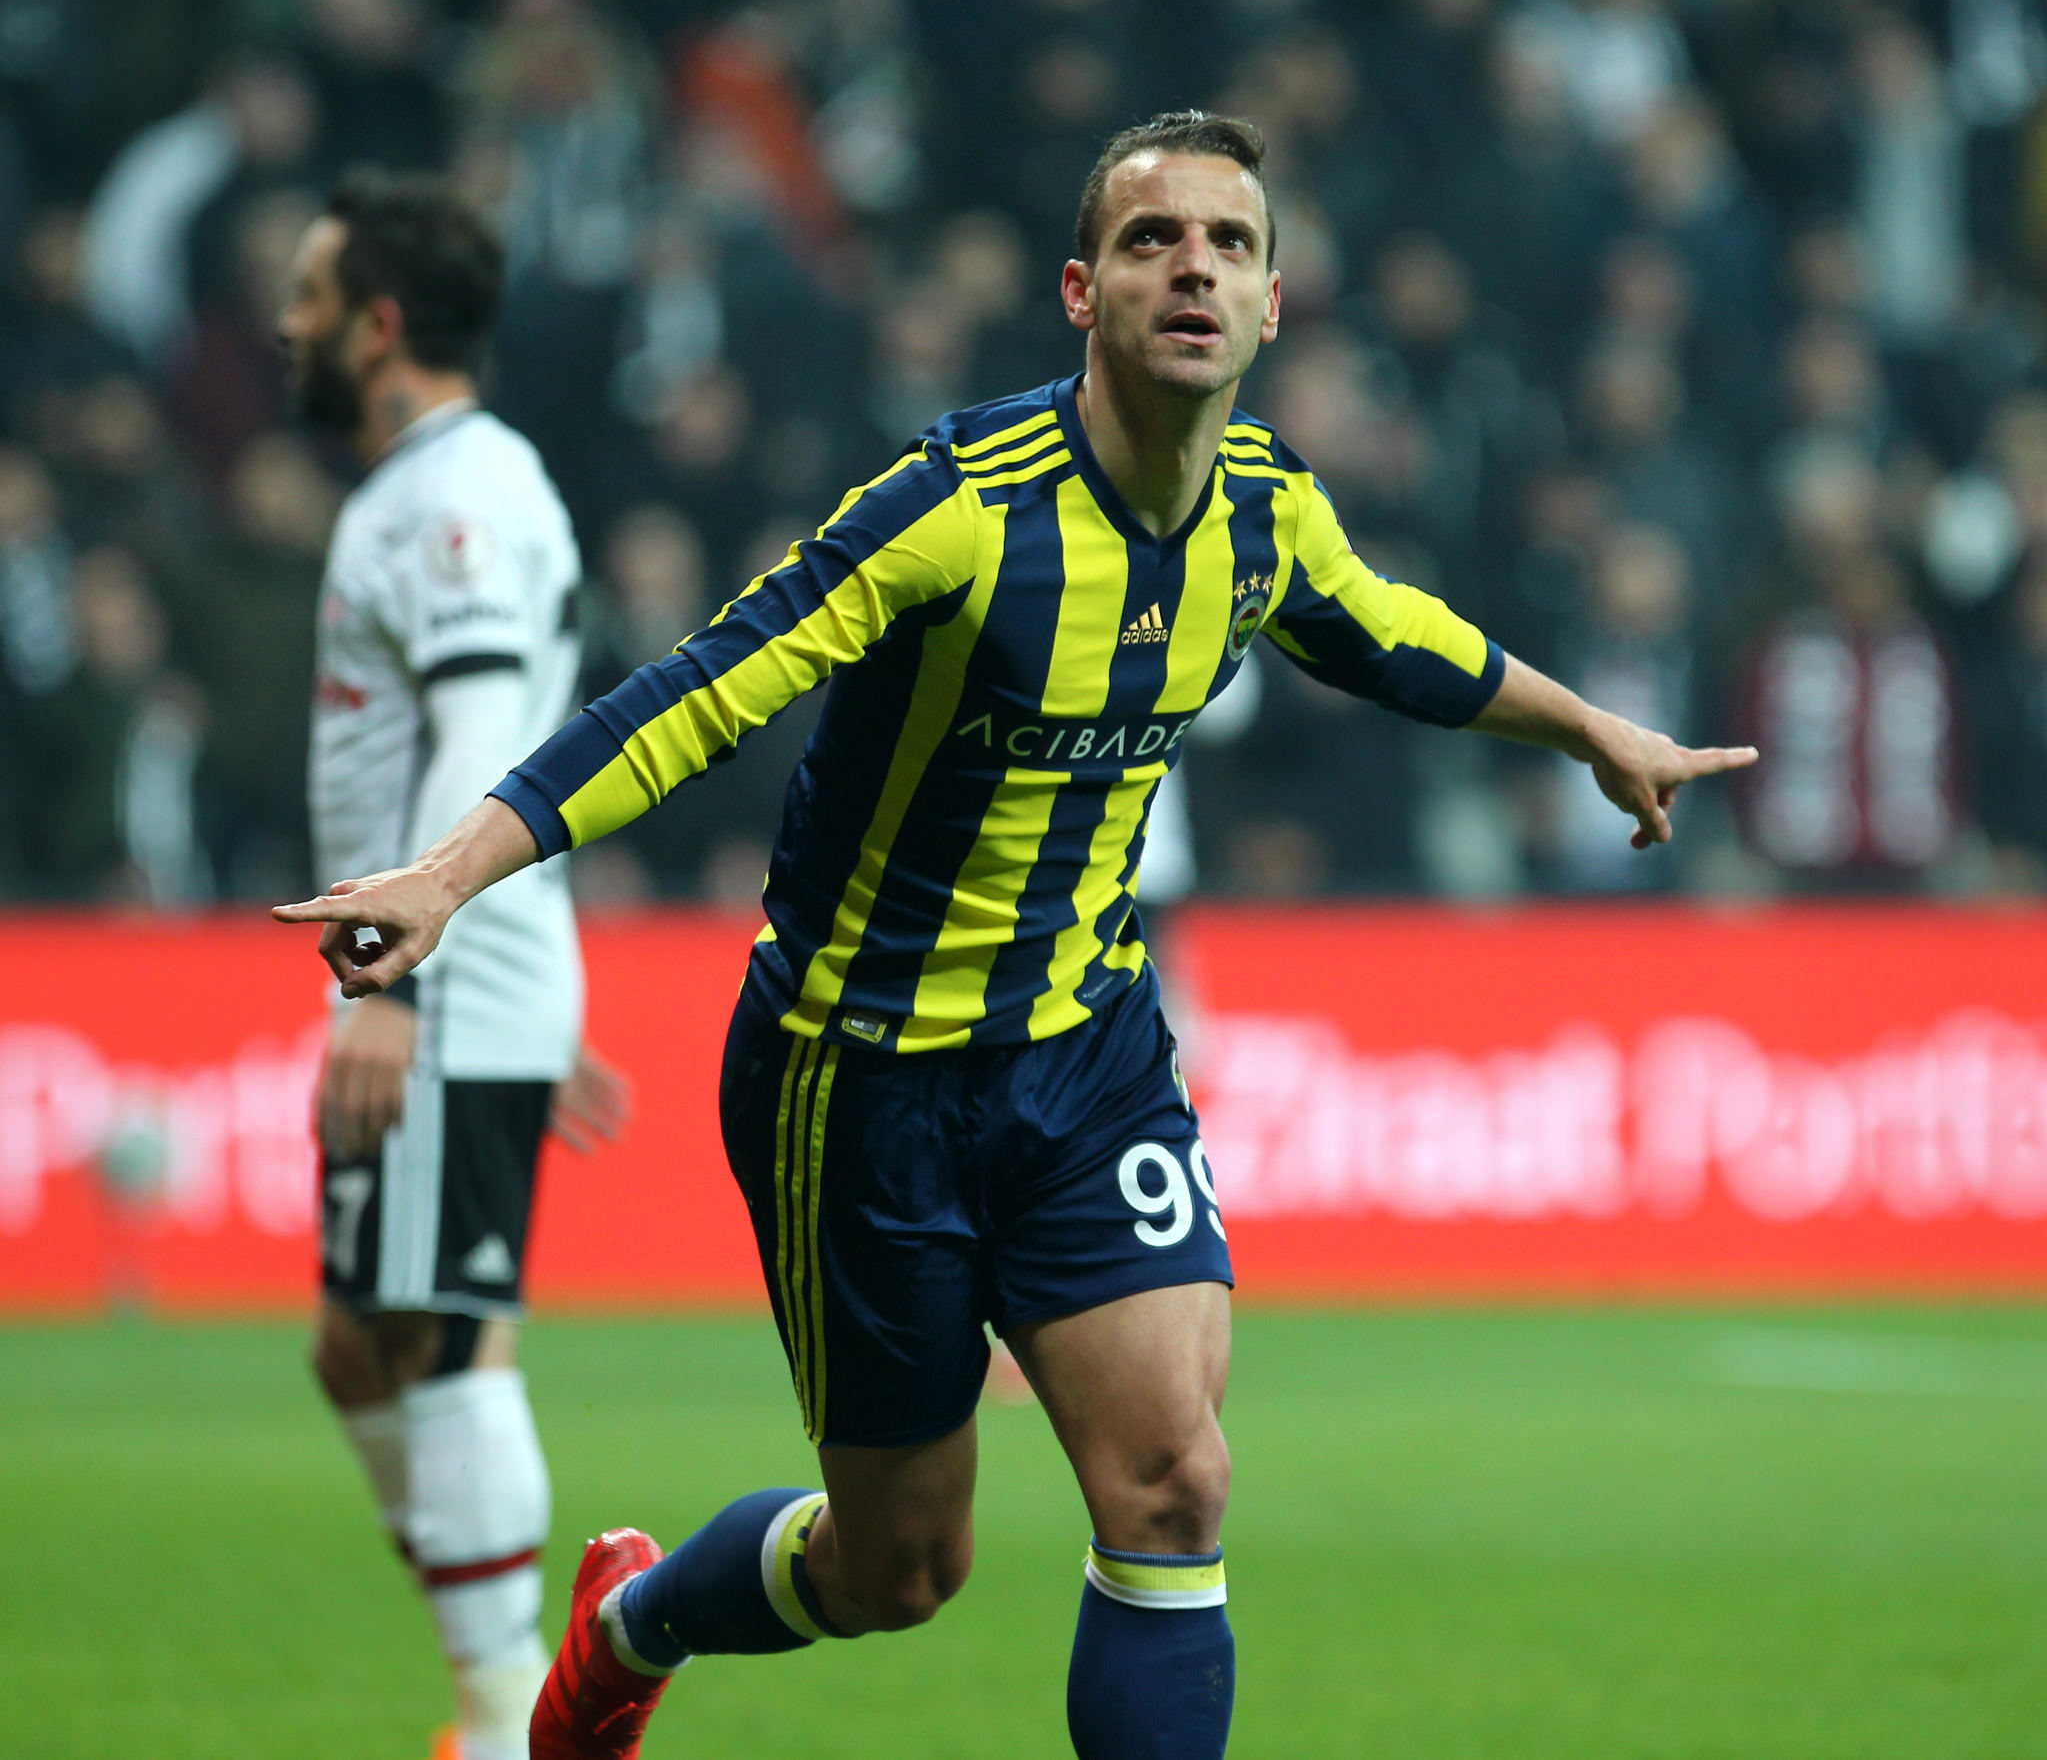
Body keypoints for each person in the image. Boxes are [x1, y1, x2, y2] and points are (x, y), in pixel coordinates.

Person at [276, 114, 1755, 1760]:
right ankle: (632, 1630)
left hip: (1084, 1053)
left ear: (1273, 305)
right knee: (899, 1568)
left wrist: (1589, 729)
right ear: (1079, 291)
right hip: (859, 1076)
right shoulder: (958, 506)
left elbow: (1395, 637)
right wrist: (451, 873)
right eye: (1150, 239)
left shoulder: (1268, 512)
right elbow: (699, 693)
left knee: (1176, 1480)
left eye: (1231, 244)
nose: (1193, 267)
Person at [277, 167, 629, 1760]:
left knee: (435, 1337)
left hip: (433, 973)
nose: (285, 324)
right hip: (458, 972)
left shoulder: (457, 496)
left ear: (378, 325)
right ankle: (518, 1688)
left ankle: (508, 1723)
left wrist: (411, 984)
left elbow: (490, 731)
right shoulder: (430, 486)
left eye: (308, 297)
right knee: (363, 1342)